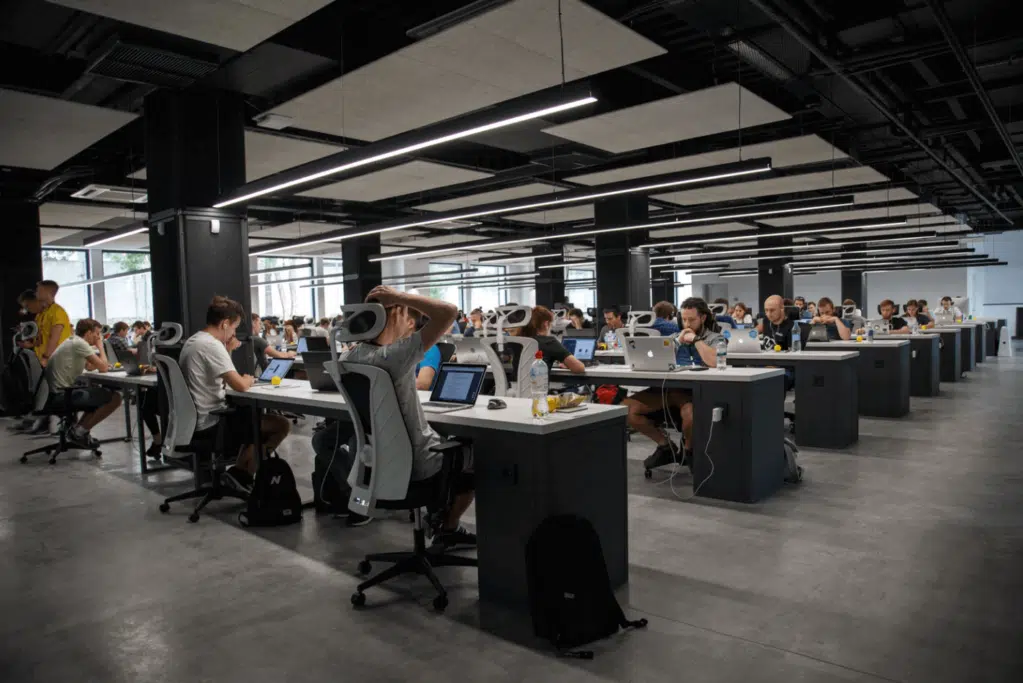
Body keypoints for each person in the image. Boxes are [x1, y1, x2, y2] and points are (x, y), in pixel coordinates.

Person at [342, 286, 475, 548]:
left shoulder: (350, 356)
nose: (411, 322)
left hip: (379, 464)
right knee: (483, 451)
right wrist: (400, 297)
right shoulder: (394, 356)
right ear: (393, 315)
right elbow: (449, 312)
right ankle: (448, 526)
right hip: (419, 464)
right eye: (405, 314)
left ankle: (439, 516)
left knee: (449, 444)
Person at [180, 296, 291, 493]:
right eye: (233, 328)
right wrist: (249, 379)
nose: (233, 333)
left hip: (196, 420)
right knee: (280, 424)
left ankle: (239, 475)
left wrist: (228, 350)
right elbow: (239, 385)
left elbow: (221, 375)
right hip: (213, 422)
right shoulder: (212, 345)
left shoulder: (195, 341)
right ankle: (241, 474)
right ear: (224, 324)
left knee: (251, 417)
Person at [624, 297, 723, 470]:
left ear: (703, 318)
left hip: (695, 392)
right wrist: (677, 341)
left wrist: (696, 340)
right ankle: (665, 446)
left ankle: (689, 450)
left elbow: (714, 362)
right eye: (684, 319)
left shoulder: (716, 338)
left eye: (691, 319)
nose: (687, 324)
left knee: (690, 415)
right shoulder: (672, 338)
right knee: (626, 409)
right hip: (668, 391)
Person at [47, 318, 122, 448]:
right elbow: (103, 368)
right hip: (62, 395)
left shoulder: (72, 341)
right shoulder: (80, 344)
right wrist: (100, 347)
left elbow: (89, 366)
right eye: (97, 333)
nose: (98, 337)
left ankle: (78, 431)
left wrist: (99, 363)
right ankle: (78, 432)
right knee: (115, 398)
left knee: (96, 394)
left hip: (56, 393)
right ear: (88, 333)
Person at [521, 306, 586, 373]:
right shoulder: (549, 342)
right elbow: (579, 368)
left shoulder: (520, 340)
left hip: (516, 383)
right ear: (546, 324)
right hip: (539, 383)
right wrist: (569, 364)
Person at [32, 280, 71, 368]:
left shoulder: (57, 311)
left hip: (56, 361)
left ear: (46, 292)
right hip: (42, 360)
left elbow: (54, 337)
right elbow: (40, 337)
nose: (36, 293)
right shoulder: (41, 313)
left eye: (38, 290)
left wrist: (46, 357)